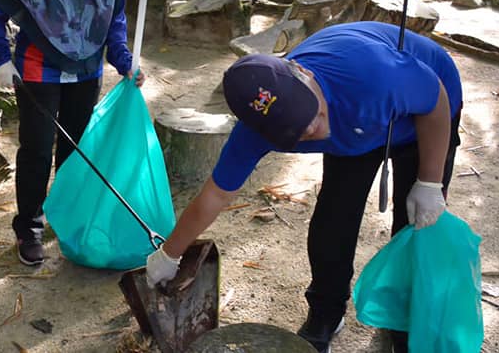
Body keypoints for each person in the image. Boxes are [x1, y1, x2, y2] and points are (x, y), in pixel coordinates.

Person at [145, 21, 464, 353]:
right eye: (295, 131)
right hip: (355, 133)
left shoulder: (371, 74)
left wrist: (429, 181)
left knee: (414, 225)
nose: (313, 129)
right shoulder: (255, 132)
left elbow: (435, 97)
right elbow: (217, 193)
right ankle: (326, 313)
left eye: (308, 113)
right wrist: (170, 253)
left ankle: (405, 319)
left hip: (424, 115)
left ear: (303, 74)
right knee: (334, 220)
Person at [0, 0, 145, 266]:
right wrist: (1, 60)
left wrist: (124, 61)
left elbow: (115, 21)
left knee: (76, 151)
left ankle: (67, 216)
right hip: (39, 72)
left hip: (87, 72)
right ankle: (30, 227)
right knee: (37, 149)